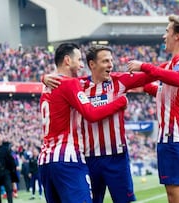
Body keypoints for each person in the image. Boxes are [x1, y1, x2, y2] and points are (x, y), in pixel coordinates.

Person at [42, 43, 179, 203]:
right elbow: (59, 85)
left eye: (111, 60)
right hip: (89, 158)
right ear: (92, 64)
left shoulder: (120, 81)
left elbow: (152, 74)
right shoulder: (79, 85)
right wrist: (44, 77)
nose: (111, 64)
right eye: (105, 61)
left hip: (117, 157)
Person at [38, 42, 128, 203]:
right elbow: (91, 114)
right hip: (67, 158)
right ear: (67, 60)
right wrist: (120, 102)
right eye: (79, 60)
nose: (81, 65)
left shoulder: (46, 86)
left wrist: (43, 77)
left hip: (45, 161)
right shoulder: (70, 83)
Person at [127, 14, 179, 203]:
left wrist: (144, 65)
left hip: (175, 137)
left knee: (176, 197)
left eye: (167, 31)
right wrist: (139, 86)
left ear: (178, 35)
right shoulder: (174, 63)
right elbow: (162, 90)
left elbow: (178, 78)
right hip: (174, 137)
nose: (164, 36)